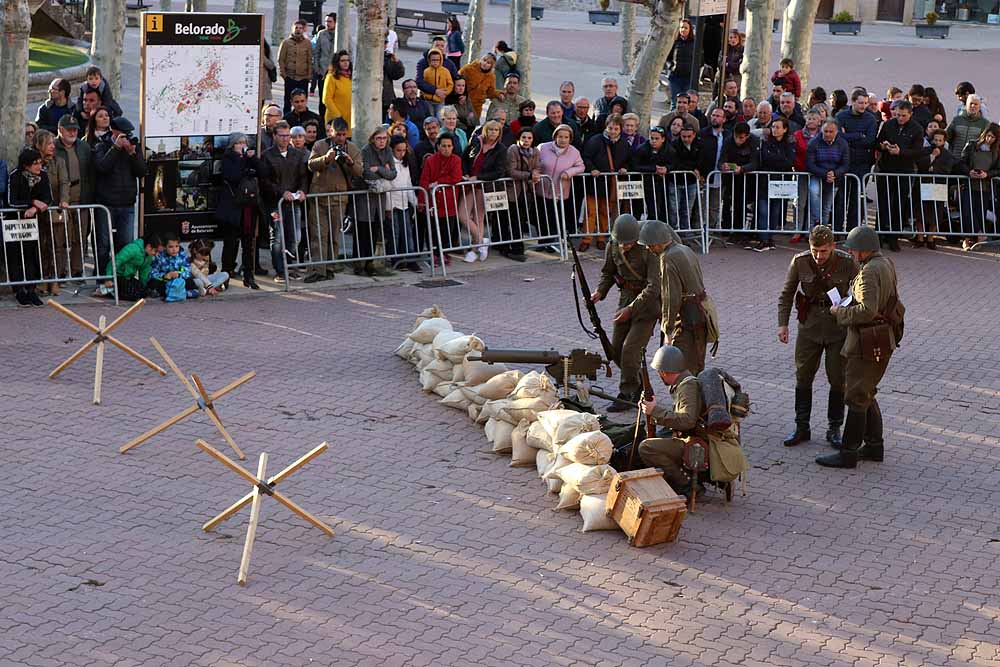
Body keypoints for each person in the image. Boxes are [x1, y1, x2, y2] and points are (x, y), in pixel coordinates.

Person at [816, 225, 904, 469]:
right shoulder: (885, 263)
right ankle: (874, 446)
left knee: (856, 395)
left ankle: (848, 452)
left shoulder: (868, 273)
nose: (851, 253)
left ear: (864, 251)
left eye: (853, 250)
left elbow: (867, 311)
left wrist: (840, 312)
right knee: (866, 391)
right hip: (881, 338)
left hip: (867, 340)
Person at [777, 224, 859, 449]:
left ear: (833, 246)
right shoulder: (800, 261)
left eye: (823, 251)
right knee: (803, 376)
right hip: (809, 327)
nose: (819, 256)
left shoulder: (847, 263)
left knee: (838, 379)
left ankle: (834, 428)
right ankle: (801, 426)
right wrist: (782, 324)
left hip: (837, 329)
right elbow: (786, 294)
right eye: (815, 250)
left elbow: (860, 295)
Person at [638, 344, 749, 498]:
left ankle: (688, 485)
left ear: (664, 372)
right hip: (702, 438)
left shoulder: (687, 387)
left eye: (659, 372)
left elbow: (687, 421)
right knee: (661, 435)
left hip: (700, 443)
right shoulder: (685, 381)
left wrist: (655, 411)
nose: (659, 375)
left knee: (647, 448)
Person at [592, 214, 661, 409]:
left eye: (629, 243)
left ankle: (627, 393)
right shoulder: (613, 246)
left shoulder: (648, 250)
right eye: (621, 243)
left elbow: (654, 287)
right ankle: (639, 385)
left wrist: (631, 310)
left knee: (630, 350)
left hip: (648, 305)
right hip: (626, 299)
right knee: (614, 350)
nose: (624, 247)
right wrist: (600, 291)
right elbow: (608, 272)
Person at [638, 219, 717, 375]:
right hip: (700, 312)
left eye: (649, 245)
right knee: (696, 363)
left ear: (658, 243)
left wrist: (667, 330)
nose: (648, 248)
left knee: (680, 369)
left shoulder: (667, 258)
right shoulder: (684, 249)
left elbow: (670, 298)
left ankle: (689, 399)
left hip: (687, 318)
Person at [305, 117, 363, 282]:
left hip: (339, 198)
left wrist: (350, 163)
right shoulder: (320, 145)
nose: (340, 138)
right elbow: (311, 165)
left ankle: (330, 267)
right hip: (319, 197)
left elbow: (360, 172)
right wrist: (326, 158)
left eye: (344, 134)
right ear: (330, 132)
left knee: (334, 236)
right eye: (338, 134)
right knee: (318, 235)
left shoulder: (352, 148)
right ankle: (318, 269)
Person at [93, 116, 145, 275]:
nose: (127, 138)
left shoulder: (134, 147)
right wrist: (115, 148)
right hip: (106, 204)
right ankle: (102, 279)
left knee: (125, 245)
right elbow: (102, 167)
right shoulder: (101, 146)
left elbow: (142, 172)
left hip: (127, 205)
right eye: (124, 135)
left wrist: (133, 154)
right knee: (103, 245)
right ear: (114, 132)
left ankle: (122, 279)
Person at [259, 121, 309, 282]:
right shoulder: (267, 156)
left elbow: (303, 177)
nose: (286, 139)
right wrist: (282, 192)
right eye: (282, 136)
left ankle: (291, 267)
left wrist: (302, 191)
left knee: (295, 236)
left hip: (294, 203)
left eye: (288, 136)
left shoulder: (297, 154)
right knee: (277, 237)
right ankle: (280, 270)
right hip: (275, 203)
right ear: (274, 136)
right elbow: (265, 182)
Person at [217, 133, 265, 289]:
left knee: (248, 243)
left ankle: (249, 275)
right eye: (239, 143)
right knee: (230, 242)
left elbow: (263, 172)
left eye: (245, 142)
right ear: (232, 145)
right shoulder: (228, 159)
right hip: (232, 207)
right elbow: (233, 176)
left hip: (248, 207)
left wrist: (254, 160)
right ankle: (226, 274)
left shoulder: (249, 158)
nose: (242, 145)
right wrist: (244, 162)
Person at [874, 100, 924, 252]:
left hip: (904, 170)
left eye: (903, 115)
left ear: (910, 114)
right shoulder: (888, 124)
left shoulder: (917, 129)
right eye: (897, 115)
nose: (900, 118)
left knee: (898, 204)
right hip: (885, 169)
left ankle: (893, 237)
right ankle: (879, 235)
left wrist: (901, 151)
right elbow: (877, 142)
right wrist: (882, 146)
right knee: (883, 202)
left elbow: (917, 151)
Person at [5, 148, 51, 306]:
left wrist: (35, 208)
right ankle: (19, 291)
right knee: (15, 257)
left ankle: (31, 289)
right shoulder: (15, 176)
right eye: (35, 164)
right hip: (14, 223)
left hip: (33, 222)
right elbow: (11, 201)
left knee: (32, 255)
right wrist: (31, 203)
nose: (39, 166)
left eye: (40, 163)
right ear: (26, 165)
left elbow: (47, 199)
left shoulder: (43, 176)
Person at [459, 119, 507, 263]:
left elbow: (499, 171)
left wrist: (478, 177)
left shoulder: (501, 149)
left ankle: (474, 250)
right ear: (485, 130)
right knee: (463, 214)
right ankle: (482, 241)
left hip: (483, 185)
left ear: (499, 133)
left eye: (496, 130)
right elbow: (465, 159)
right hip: (469, 184)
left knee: (479, 218)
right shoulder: (475, 141)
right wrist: (467, 174)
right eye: (491, 129)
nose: (493, 132)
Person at [53, 115, 95, 280]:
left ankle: (77, 270)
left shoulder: (84, 147)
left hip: (81, 199)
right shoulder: (53, 146)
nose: (72, 132)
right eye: (69, 129)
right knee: (60, 237)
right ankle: (60, 271)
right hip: (60, 201)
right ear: (60, 130)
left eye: (75, 129)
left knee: (80, 236)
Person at [580, 113, 630, 251]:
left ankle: (601, 237)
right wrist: (592, 169)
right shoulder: (595, 140)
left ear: (620, 129)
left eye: (616, 129)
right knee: (590, 212)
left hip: (611, 184)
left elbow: (628, 160)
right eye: (610, 128)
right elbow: (586, 157)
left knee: (604, 212)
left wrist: (625, 168)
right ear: (606, 127)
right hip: (595, 183)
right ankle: (587, 238)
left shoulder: (624, 144)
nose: (612, 131)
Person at [354, 126, 397, 277]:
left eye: (384, 138)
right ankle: (360, 263)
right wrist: (383, 172)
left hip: (380, 197)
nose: (382, 141)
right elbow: (365, 173)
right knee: (364, 230)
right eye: (379, 138)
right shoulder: (366, 150)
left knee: (376, 230)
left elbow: (393, 174)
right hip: (366, 196)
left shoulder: (388, 151)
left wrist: (379, 168)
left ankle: (370, 262)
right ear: (373, 139)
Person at [32, 129, 70, 295]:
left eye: (53, 143)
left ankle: (54, 280)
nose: (52, 146)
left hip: (54, 209)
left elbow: (64, 182)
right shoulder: (32, 161)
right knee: (40, 246)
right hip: (37, 212)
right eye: (49, 143)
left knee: (57, 245)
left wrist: (64, 199)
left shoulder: (59, 161)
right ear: (39, 144)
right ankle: (41, 280)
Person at [419, 132, 464, 267]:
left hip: (448, 201)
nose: (446, 148)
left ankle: (444, 253)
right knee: (432, 230)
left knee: (446, 230)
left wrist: (438, 182)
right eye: (443, 146)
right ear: (438, 146)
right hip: (433, 202)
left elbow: (456, 177)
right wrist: (421, 200)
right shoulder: (430, 160)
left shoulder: (456, 160)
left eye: (449, 146)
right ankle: (434, 254)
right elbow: (424, 180)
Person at [836, 89, 879, 231]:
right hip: (843, 163)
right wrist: (859, 135)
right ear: (853, 101)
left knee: (857, 198)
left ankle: (852, 230)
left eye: (866, 103)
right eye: (860, 103)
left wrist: (849, 136)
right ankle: (836, 229)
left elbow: (869, 141)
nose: (863, 106)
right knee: (840, 198)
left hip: (862, 164)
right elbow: (838, 138)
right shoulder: (841, 116)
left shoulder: (871, 118)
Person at [751, 116, 796, 251]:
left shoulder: (789, 143)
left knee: (775, 211)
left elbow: (789, 161)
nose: (774, 130)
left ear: (785, 129)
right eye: (773, 127)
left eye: (777, 127)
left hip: (781, 182)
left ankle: (769, 238)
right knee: (763, 210)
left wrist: (776, 159)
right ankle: (763, 239)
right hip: (765, 181)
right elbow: (765, 158)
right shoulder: (765, 141)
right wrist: (779, 160)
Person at [537, 124, 585, 238]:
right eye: (560, 137)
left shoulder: (574, 152)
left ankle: (555, 240)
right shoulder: (542, 147)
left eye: (566, 137)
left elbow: (581, 167)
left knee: (556, 217)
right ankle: (543, 241)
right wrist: (535, 172)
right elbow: (535, 163)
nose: (563, 140)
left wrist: (568, 172)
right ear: (555, 137)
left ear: (570, 139)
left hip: (560, 191)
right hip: (542, 189)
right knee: (542, 217)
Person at [914, 128, 958, 249]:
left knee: (935, 212)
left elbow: (948, 168)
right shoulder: (926, 150)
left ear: (944, 141)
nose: (937, 142)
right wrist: (932, 157)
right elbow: (920, 163)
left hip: (938, 185)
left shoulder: (947, 154)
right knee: (920, 211)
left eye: (940, 140)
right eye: (935, 139)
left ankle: (930, 238)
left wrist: (934, 169)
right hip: (923, 183)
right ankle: (920, 237)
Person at [958, 123, 1000, 251]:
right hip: (970, 184)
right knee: (967, 211)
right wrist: (969, 172)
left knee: (979, 212)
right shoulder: (971, 145)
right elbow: (961, 162)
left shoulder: (997, 151)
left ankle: (977, 238)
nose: (989, 139)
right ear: (984, 134)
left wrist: (987, 174)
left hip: (984, 186)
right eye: (988, 136)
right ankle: (969, 238)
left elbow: (998, 169)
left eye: (993, 137)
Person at [504, 127, 542, 260]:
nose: (526, 141)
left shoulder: (536, 151)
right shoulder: (513, 150)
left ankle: (521, 246)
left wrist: (535, 175)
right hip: (513, 190)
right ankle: (515, 249)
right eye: (524, 138)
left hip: (528, 190)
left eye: (529, 138)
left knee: (524, 218)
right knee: (514, 220)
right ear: (518, 139)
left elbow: (537, 166)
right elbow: (511, 171)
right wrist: (530, 175)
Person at [806, 119, 850, 231]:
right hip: (817, 174)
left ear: (836, 132)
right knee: (814, 191)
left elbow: (845, 164)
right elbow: (810, 163)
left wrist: (835, 173)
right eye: (825, 131)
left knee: (827, 207)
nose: (828, 134)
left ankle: (823, 231)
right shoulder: (814, 143)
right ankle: (816, 223)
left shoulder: (843, 144)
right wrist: (825, 174)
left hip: (834, 178)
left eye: (831, 131)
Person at [386, 135, 421, 271]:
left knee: (407, 232)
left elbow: (409, 185)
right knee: (394, 232)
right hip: (392, 203)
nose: (401, 153)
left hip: (404, 203)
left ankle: (410, 259)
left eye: (404, 150)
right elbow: (388, 186)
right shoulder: (389, 165)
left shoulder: (405, 165)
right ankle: (397, 259)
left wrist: (415, 202)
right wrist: (388, 208)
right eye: (398, 150)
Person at [718, 122, 759, 240]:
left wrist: (742, 169)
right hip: (731, 180)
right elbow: (721, 160)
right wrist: (723, 166)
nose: (737, 140)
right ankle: (732, 231)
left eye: (741, 138)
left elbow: (755, 162)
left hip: (749, 179)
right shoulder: (728, 140)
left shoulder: (754, 141)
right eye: (736, 137)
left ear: (747, 136)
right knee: (731, 204)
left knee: (747, 205)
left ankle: (747, 232)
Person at [632, 126, 675, 224]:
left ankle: (653, 232)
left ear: (663, 139)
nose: (654, 141)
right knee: (637, 210)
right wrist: (653, 169)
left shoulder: (669, 150)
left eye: (657, 139)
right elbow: (635, 166)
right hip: (642, 184)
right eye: (652, 138)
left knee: (655, 210)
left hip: (658, 185)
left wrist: (667, 169)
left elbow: (674, 164)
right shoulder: (642, 149)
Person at [102, 234, 164, 300]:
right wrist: (108, 278)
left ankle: (115, 290)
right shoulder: (133, 249)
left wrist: (142, 286)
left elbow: (144, 271)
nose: (156, 254)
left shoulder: (149, 256)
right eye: (156, 251)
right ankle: (109, 290)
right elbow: (116, 261)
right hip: (117, 275)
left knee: (143, 292)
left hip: (128, 277)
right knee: (134, 294)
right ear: (149, 246)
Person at [670, 126, 703, 231]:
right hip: (675, 181)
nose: (686, 139)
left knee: (687, 209)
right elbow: (675, 163)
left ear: (694, 135)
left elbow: (702, 160)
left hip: (691, 182)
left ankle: (685, 231)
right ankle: (673, 231)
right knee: (673, 209)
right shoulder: (674, 145)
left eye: (689, 136)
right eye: (684, 136)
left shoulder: (699, 145)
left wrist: (697, 169)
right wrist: (692, 168)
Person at [148, 233, 198, 301]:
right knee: (153, 283)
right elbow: (152, 273)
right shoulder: (159, 257)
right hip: (166, 281)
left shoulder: (182, 256)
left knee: (190, 282)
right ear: (165, 247)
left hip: (180, 281)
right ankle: (177, 293)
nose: (174, 249)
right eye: (171, 247)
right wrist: (164, 276)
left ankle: (180, 293)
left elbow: (186, 270)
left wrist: (179, 274)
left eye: (177, 246)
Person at [278, 20, 313, 115]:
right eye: (296, 28)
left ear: (303, 30)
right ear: (292, 29)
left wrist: (309, 75)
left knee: (302, 102)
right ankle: (287, 119)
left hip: (303, 78)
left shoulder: (307, 43)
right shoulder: (286, 43)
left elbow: (310, 60)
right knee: (288, 102)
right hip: (290, 77)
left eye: (300, 28)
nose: (298, 30)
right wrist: (284, 74)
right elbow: (281, 59)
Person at [458, 53, 503, 120]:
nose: (485, 63)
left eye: (488, 63)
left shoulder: (491, 77)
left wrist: (498, 94)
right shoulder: (468, 68)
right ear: (481, 60)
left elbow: (490, 92)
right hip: (463, 102)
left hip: (476, 106)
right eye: (484, 60)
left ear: (491, 66)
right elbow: (457, 80)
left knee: (471, 127)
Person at [313, 13, 338, 119]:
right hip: (323, 72)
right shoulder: (321, 34)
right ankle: (322, 120)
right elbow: (316, 52)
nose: (327, 24)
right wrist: (317, 68)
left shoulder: (342, 33)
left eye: (330, 21)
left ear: (336, 22)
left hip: (337, 73)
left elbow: (349, 52)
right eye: (326, 21)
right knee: (323, 99)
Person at [666, 20, 695, 108]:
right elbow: (668, 58)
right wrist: (671, 67)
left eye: (686, 28)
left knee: (686, 103)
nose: (683, 30)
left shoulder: (694, 43)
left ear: (690, 29)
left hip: (689, 78)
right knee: (675, 102)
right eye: (682, 27)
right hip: (675, 77)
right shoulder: (674, 42)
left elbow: (700, 61)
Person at [322, 50, 353, 134]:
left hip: (349, 119)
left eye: (347, 60)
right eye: (342, 61)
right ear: (337, 62)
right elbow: (326, 99)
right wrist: (338, 116)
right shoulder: (331, 77)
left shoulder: (351, 77)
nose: (346, 63)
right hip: (335, 119)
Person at [382, 46, 405, 119]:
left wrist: (396, 62)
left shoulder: (388, 58)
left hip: (386, 100)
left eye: (385, 43)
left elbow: (398, 75)